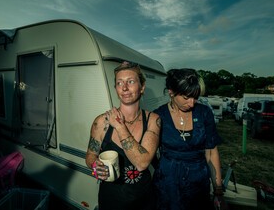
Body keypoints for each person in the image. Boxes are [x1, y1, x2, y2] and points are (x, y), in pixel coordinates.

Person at [85, 61, 161, 210]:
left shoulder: (153, 120)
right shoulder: (101, 122)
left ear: (142, 87)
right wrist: (95, 167)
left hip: (143, 200)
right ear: (116, 89)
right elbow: (90, 156)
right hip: (110, 201)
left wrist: (119, 126)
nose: (125, 88)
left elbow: (142, 163)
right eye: (119, 83)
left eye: (130, 82)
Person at [152, 68, 228, 210]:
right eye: (186, 98)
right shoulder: (158, 116)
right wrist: (163, 169)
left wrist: (218, 191)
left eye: (195, 97)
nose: (192, 104)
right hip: (167, 186)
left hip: (198, 185)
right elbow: (149, 153)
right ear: (171, 92)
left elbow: (211, 152)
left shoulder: (204, 113)